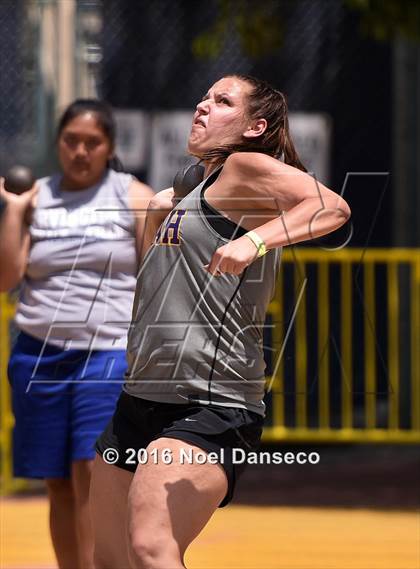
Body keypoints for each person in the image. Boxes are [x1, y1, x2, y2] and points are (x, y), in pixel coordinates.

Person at [91, 75, 351, 569]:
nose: (202, 105)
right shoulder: (190, 187)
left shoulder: (246, 166)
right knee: (109, 560)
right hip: (139, 399)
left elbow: (331, 207)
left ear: (256, 126)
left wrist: (253, 242)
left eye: (222, 101)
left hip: (210, 405)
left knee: (150, 547)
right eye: (205, 97)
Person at [0, 99, 153, 569]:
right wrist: (12, 209)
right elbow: (8, 277)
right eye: (71, 141)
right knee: (57, 482)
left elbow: (155, 280)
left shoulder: (134, 197)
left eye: (92, 142)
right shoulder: (37, 197)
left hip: (105, 353)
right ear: (58, 143)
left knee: (93, 469)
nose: (80, 151)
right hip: (36, 355)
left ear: (109, 147)